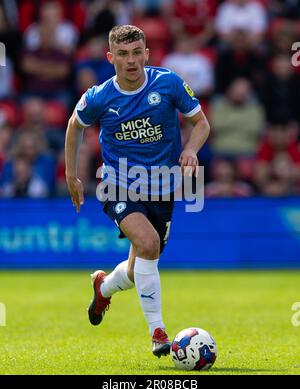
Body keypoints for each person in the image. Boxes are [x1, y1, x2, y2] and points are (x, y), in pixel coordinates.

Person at [65, 25, 210, 358]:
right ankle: (158, 334)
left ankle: (103, 286)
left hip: (163, 189)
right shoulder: (100, 96)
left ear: (146, 53)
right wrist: (72, 175)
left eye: (136, 53)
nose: (131, 61)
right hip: (117, 184)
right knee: (147, 243)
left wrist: (190, 150)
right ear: (110, 57)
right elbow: (75, 123)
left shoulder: (169, 83)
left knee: (138, 268)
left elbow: (201, 123)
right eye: (123, 54)